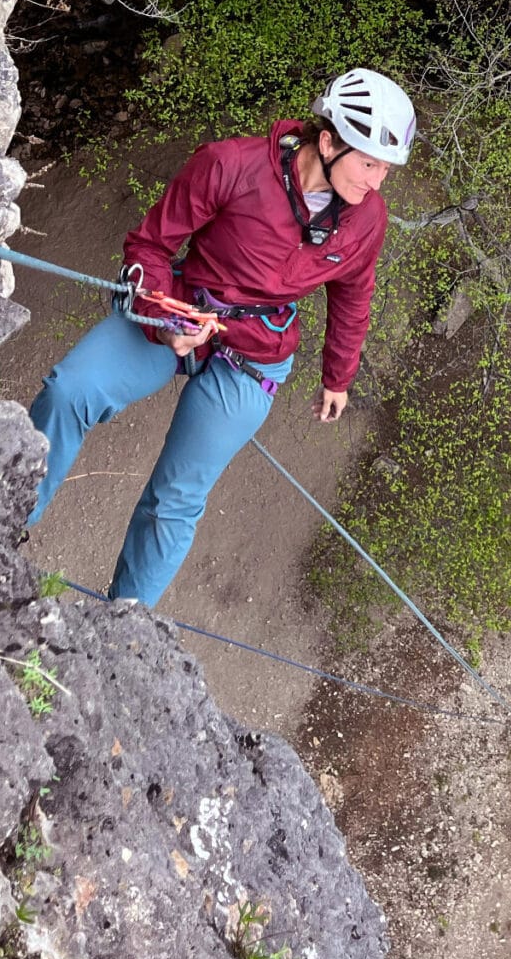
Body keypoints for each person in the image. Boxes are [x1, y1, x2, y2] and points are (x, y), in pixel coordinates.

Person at [25, 68, 416, 607]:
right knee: (72, 390)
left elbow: (353, 292)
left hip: (256, 352)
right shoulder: (230, 165)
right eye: (369, 162)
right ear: (326, 141)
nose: (376, 181)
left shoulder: (366, 218)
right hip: (182, 311)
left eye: (386, 169)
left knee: (177, 498)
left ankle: (121, 625)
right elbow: (149, 248)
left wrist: (338, 376)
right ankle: (4, 519)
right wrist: (165, 321)